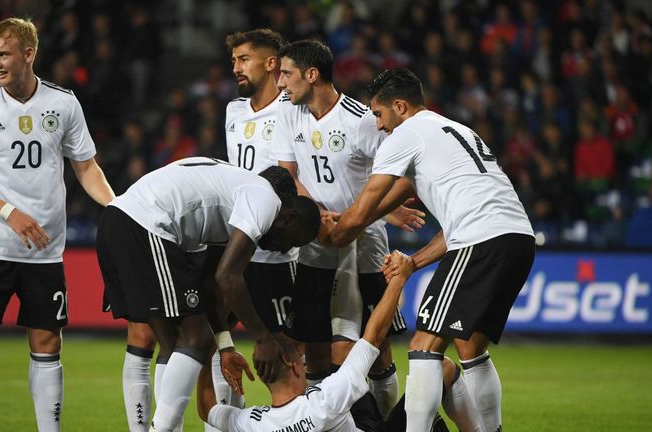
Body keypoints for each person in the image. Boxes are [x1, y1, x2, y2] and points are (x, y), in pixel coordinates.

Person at [328, 69, 535, 432]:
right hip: (517, 238)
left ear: (399, 106)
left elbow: (362, 210)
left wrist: (333, 231)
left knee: (424, 345)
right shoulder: (454, 131)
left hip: (480, 240)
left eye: (378, 114)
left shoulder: (405, 135)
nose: (377, 126)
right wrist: (413, 262)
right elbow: (453, 223)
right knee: (471, 349)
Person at [0, 18, 115, 432]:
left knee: (47, 342)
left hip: (45, 250)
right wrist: (9, 212)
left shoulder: (63, 103)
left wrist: (118, 207)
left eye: (4, 54)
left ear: (29, 54)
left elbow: (87, 167)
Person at [94, 157, 321, 432]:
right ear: (290, 218)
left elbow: (212, 287)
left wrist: (225, 347)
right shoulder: (265, 199)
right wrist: (263, 338)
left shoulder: (234, 201)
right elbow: (228, 277)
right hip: (145, 223)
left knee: (173, 341)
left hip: (123, 220)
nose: (285, 250)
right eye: (293, 241)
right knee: (197, 337)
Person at [273, 39, 418, 417]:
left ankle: (387, 423)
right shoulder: (289, 113)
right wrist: (317, 215)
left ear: (312, 74)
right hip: (315, 243)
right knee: (315, 345)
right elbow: (289, 175)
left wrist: (382, 212)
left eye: (286, 73)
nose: (280, 84)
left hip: (364, 244)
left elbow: (388, 175)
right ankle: (328, 423)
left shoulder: (360, 121)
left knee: (375, 350)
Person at [198, 251, 449, 432]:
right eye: (300, 354)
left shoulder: (252, 423)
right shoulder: (326, 401)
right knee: (440, 371)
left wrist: (217, 350)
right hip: (362, 424)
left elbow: (206, 409)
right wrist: (399, 279)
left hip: (354, 420)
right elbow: (373, 334)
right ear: (294, 364)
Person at [198, 28, 294, 431]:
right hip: (237, 245)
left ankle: (293, 420)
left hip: (278, 253)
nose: (235, 67)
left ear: (271, 63)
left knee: (288, 349)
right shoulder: (233, 111)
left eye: (244, 59)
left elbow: (293, 177)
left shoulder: (293, 109)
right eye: (234, 59)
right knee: (215, 345)